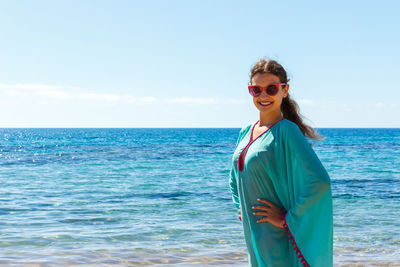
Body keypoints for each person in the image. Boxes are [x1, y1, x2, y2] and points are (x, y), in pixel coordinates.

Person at [229, 58, 333, 267]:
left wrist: (287, 218)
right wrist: (241, 205)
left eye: (271, 88)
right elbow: (234, 176)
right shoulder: (245, 132)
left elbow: (320, 183)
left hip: (275, 234)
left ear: (284, 91)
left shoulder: (287, 131)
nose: (263, 95)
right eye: (256, 90)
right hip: (255, 232)